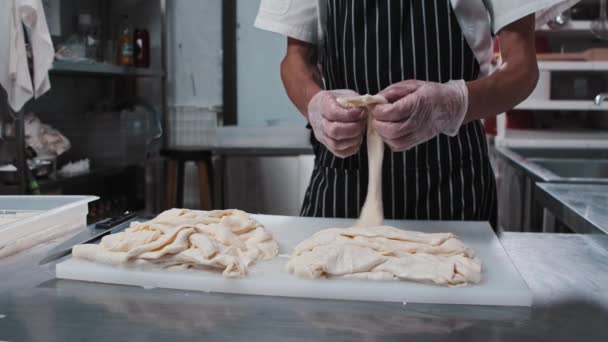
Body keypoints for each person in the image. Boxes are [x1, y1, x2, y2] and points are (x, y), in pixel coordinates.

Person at [255, 0, 578, 228]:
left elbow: (521, 69)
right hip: (343, 178)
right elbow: (296, 59)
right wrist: (315, 105)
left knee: (455, 317)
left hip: (451, 184)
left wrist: (452, 103)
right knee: (333, 316)